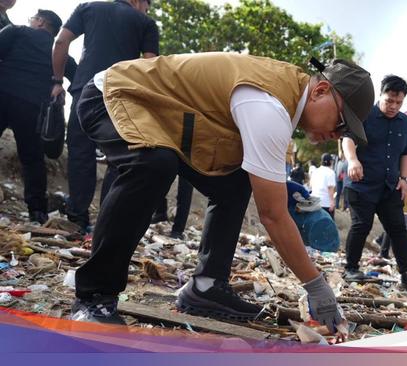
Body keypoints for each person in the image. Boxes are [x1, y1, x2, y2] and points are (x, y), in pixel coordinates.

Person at [70, 53, 374, 335]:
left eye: (344, 133)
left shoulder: (286, 94)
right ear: (320, 91)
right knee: (151, 163)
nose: (336, 135)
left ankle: (207, 285)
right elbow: (273, 215)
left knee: (235, 182)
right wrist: (317, 287)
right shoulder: (269, 106)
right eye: (340, 122)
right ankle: (94, 295)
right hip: (115, 95)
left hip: (167, 123)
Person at [51, 0, 159, 232]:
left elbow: (61, 41)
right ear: (140, 2)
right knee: (118, 158)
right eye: (147, 6)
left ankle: (77, 216)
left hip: (84, 90)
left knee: (80, 153)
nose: (147, 10)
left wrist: (58, 81)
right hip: (121, 96)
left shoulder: (88, 8)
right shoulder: (145, 22)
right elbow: (151, 65)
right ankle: (106, 220)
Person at [342, 74, 407, 289]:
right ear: (380, 95)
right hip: (362, 182)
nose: (393, 106)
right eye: (389, 100)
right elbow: (348, 138)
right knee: (362, 224)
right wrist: (352, 161)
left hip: (390, 185)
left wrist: (404, 179)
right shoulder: (364, 113)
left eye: (399, 102)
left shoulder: (405, 123)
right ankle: (351, 268)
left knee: (398, 228)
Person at [0, 9, 75, 224]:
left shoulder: (16, 31)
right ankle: (37, 212)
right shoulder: (58, 51)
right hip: (31, 107)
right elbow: (79, 76)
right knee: (32, 159)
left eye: (33, 18)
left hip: (2, 94)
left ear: (40, 22)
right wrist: (58, 86)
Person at [309, 153, 336, 219]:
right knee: (328, 226)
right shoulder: (330, 172)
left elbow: (311, 185)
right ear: (330, 161)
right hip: (325, 203)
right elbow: (330, 188)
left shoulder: (315, 171)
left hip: (314, 202)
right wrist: (332, 202)